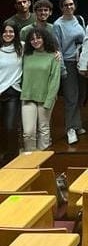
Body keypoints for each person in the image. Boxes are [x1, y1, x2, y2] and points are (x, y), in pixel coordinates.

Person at [53, 0, 87, 144]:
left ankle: (77, 124)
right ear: (61, 8)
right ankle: (70, 129)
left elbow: (86, 40)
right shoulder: (57, 24)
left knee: (81, 95)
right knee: (71, 97)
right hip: (68, 62)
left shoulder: (80, 20)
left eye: (71, 4)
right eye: (65, 5)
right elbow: (57, 48)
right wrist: (62, 69)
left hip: (81, 62)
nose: (69, 7)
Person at [21, 29, 60, 151]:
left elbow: (55, 80)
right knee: (28, 132)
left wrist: (49, 100)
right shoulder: (26, 55)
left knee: (43, 129)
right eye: (32, 39)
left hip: (46, 98)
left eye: (38, 38)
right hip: (27, 97)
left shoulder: (54, 56)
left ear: (44, 39)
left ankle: (42, 162)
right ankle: (30, 162)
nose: (35, 41)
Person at [0, 24, 22, 163]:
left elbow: (41, 45)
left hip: (13, 92)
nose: (8, 34)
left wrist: (56, 52)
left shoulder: (22, 47)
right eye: (5, 32)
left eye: (11, 31)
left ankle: (12, 158)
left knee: (10, 127)